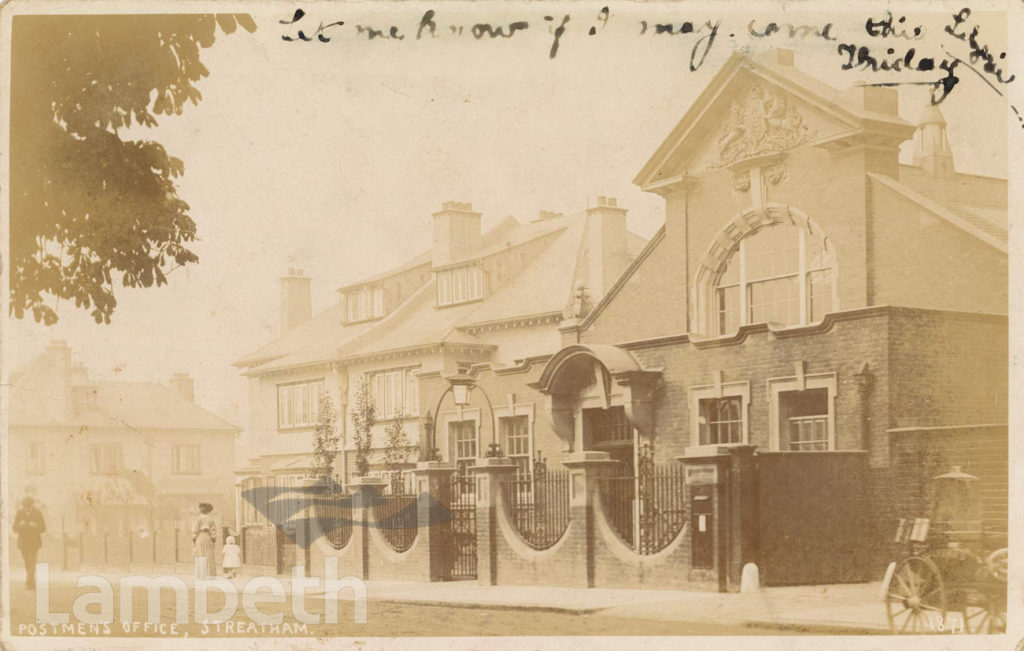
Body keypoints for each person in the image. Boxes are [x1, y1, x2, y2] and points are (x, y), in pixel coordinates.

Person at [13, 497, 46, 590]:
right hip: (23, 542)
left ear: (32, 506)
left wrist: (36, 526)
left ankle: (29, 582)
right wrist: (20, 525)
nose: (27, 509)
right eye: (25, 507)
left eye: (29, 507)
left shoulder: (37, 513)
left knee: (31, 561)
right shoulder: (19, 513)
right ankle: (31, 580)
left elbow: (43, 527)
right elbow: (14, 528)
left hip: (34, 542)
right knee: (27, 562)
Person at [192, 502, 217, 580]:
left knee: (201, 554)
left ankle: (201, 575)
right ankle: (210, 574)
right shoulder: (210, 519)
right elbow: (213, 531)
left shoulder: (198, 518)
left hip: (200, 537)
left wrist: (194, 538)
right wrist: (213, 538)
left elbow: (195, 530)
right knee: (208, 555)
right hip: (208, 538)